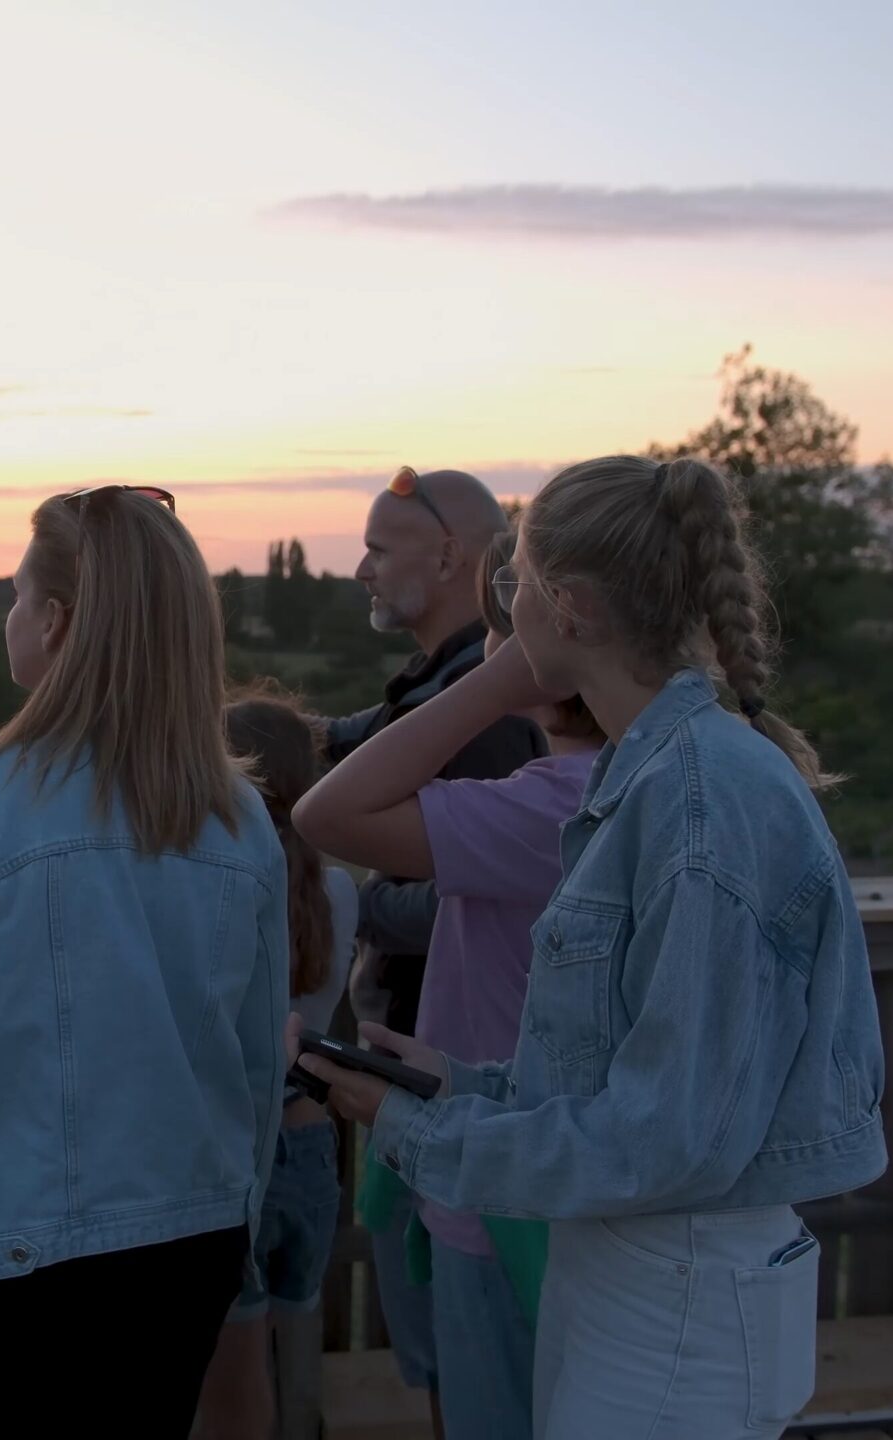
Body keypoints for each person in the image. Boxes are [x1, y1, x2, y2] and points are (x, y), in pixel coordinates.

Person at [290, 455, 888, 1440]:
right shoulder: (657, 778)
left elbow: (664, 1143)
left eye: (516, 581)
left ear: (567, 608)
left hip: (675, 1302)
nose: (502, 608)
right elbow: (643, 1087)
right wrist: (469, 1085)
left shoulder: (699, 804)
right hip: (639, 1277)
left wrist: (409, 1130)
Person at [0, 484, 290, 1437]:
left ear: (58, 622)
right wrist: (233, 1223)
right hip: (182, 1258)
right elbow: (254, 1072)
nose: (9, 619)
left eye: (19, 598)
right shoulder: (240, 826)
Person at [294, 530, 605, 1440]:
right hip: (523, 1153)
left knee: (485, 1406)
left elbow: (330, 811)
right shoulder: (639, 787)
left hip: (499, 1173)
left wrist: (503, 677)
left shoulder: (560, 803)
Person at [320, 465, 543, 1410]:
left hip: (454, 1076)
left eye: (378, 547)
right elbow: (347, 736)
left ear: (452, 554)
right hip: (433, 1075)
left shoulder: (485, 712)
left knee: (473, 1362)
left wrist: (342, 905)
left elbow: (490, 896)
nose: (361, 569)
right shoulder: (442, 684)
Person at [195, 687, 358, 1440]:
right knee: (300, 1351)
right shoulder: (340, 891)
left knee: (232, 1371)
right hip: (315, 1143)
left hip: (238, 1152)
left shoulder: (217, 884)